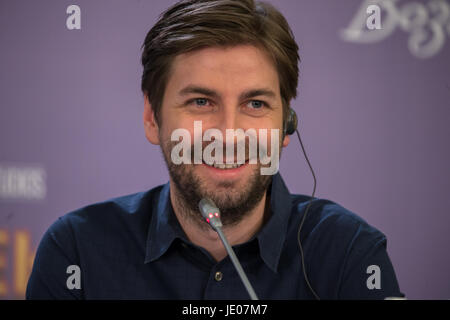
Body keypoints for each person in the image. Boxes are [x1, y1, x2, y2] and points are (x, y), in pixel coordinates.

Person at [26, 0, 404, 299]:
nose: (228, 134)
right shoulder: (77, 251)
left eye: (255, 104)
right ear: (152, 118)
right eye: (201, 102)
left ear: (286, 124)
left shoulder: (349, 252)